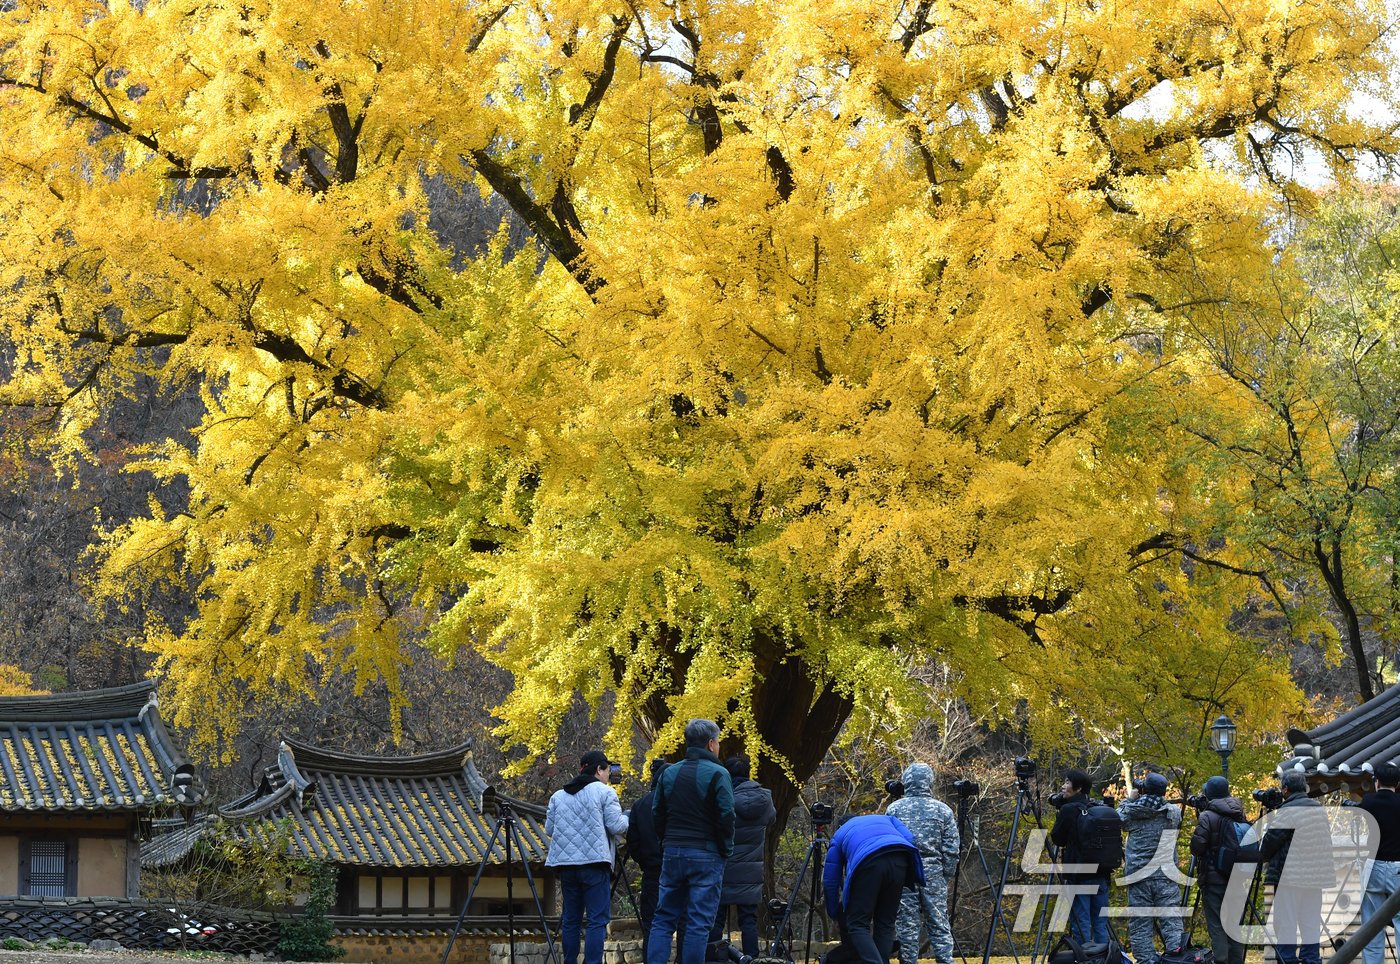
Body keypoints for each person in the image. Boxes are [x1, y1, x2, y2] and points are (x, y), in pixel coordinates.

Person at [647, 719, 736, 964]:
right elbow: (726, 815)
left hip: (673, 851)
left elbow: (657, 813)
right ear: (710, 744)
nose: (718, 746)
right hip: (706, 854)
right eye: (717, 742)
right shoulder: (719, 774)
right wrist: (725, 849)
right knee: (698, 922)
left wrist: (666, 840)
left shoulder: (669, 773)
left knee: (663, 918)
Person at [546, 749, 630, 964]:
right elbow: (616, 825)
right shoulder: (605, 792)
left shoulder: (558, 795)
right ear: (599, 770)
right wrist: (629, 816)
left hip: (566, 866)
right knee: (596, 920)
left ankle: (570, 961)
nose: (609, 775)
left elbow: (549, 829)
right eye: (607, 770)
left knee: (571, 920)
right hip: (595, 864)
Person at [822, 813, 925, 964]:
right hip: (900, 859)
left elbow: (830, 880)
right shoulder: (888, 819)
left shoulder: (839, 835)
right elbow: (909, 838)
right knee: (885, 923)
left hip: (868, 861)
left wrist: (834, 912)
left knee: (857, 924)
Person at [886, 762, 959, 964]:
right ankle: (945, 960)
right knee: (938, 922)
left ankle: (908, 961)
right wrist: (945, 875)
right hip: (933, 874)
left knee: (907, 925)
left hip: (904, 873)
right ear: (929, 782)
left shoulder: (894, 809)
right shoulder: (943, 811)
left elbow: (888, 844)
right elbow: (951, 849)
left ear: (906, 782)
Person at [1257, 771, 1332, 964]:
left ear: (1285, 789)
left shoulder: (1288, 811)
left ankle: (1287, 960)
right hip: (1315, 878)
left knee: (1287, 923)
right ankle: (1311, 960)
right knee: (1310, 923)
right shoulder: (1318, 809)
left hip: (1290, 879)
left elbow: (1269, 844)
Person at [711, 754, 776, 957]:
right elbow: (772, 819)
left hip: (723, 867)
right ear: (749, 773)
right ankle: (752, 959)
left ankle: (713, 959)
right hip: (751, 870)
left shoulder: (722, 798)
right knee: (749, 919)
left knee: (716, 918)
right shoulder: (764, 799)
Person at [1116, 772, 1186, 962]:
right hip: (1166, 875)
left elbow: (1117, 818)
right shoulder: (1173, 812)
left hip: (1139, 876)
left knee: (1140, 924)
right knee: (1171, 921)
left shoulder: (1131, 812)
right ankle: (1177, 957)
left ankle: (1146, 960)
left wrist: (1129, 799)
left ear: (1144, 789)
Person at [1188, 775, 1248, 964]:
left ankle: (1221, 961)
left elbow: (1197, 848)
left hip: (1214, 881)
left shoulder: (1207, 816)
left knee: (1217, 925)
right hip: (1237, 879)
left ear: (1209, 795)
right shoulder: (1239, 812)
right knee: (1234, 926)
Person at [1051, 768, 1111, 945]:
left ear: (1078, 788)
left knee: (1081, 922)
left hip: (1079, 876)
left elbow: (1058, 838)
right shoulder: (1098, 808)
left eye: (1067, 782)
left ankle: (1086, 958)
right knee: (1101, 924)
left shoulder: (1069, 810)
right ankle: (1103, 957)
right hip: (1102, 875)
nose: (1063, 786)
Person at [629, 759, 670, 961]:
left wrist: (644, 861)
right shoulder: (678, 802)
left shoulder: (640, 804)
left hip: (651, 870)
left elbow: (633, 841)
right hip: (676, 867)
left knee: (651, 922)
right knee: (683, 920)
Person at [1360, 762, 1400, 964]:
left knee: (1372, 924)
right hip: (1398, 868)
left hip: (1373, 865)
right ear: (1398, 783)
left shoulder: (1368, 802)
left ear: (1377, 781)